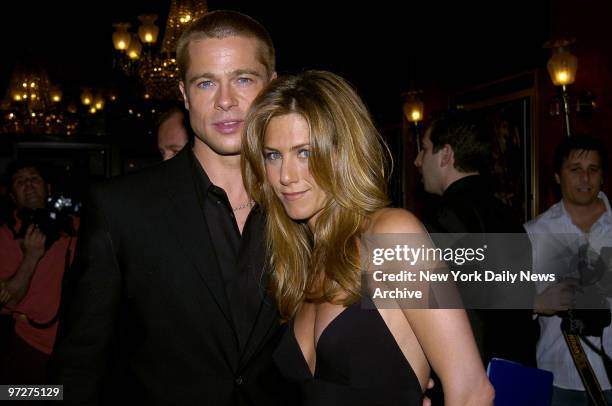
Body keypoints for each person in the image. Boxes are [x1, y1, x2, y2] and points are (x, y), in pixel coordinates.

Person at [49, 11, 295, 405]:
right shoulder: (120, 208)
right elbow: (77, 364)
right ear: (183, 94)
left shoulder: (307, 200)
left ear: (274, 86)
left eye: (243, 79)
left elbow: (402, 315)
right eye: (206, 83)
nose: (226, 100)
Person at [241, 70, 494, 405]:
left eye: (305, 152)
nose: (286, 175)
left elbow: (471, 391)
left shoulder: (391, 235)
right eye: (274, 155)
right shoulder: (302, 258)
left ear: (342, 152)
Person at [413, 110, 537, 369]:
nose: (416, 160)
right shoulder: (510, 217)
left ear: (445, 154)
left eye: (424, 149)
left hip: (469, 377)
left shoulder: (444, 218)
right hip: (514, 375)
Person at [525, 135, 612, 405]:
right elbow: (506, 301)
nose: (585, 179)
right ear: (557, 177)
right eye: (575, 170)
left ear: (602, 176)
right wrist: (538, 302)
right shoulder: (535, 232)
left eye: (593, 170)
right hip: (558, 376)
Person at [0, 160, 78, 383]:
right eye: (20, 181)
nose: (29, 184)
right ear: (13, 196)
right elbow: (10, 302)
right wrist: (31, 256)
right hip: (29, 344)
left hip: (74, 344)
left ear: (48, 188)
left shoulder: (76, 227)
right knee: (18, 396)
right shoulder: (4, 237)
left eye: (34, 178)